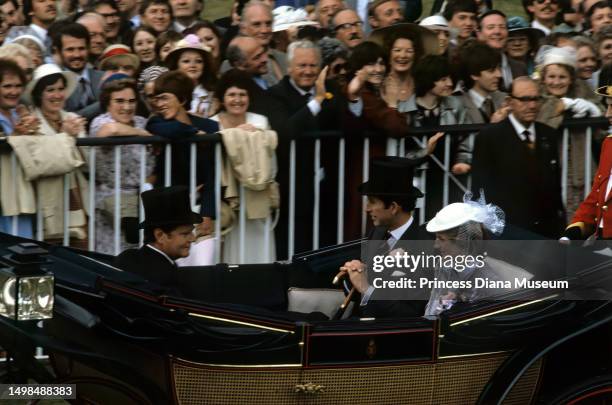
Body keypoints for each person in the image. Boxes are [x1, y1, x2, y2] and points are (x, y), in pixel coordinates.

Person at [472, 76, 565, 238]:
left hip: (546, 231)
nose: (532, 105)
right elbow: (480, 189)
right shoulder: (490, 137)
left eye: (536, 99)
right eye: (524, 99)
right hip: (509, 231)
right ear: (509, 102)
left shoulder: (548, 134)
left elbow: (554, 186)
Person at [342, 157, 430, 318]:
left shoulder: (423, 247)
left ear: (393, 207)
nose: (367, 209)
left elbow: (411, 314)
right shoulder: (376, 234)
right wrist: (355, 272)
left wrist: (366, 288)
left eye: (372, 202)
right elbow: (360, 290)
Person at [210, 69, 277, 264]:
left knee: (258, 247)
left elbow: (270, 159)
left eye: (242, 94)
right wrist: (236, 134)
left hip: (256, 193)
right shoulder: (212, 123)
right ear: (222, 98)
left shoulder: (259, 121)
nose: (237, 100)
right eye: (231, 94)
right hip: (226, 196)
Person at [146, 70, 218, 239]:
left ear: (182, 99)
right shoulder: (156, 123)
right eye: (156, 99)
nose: (159, 104)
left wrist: (207, 214)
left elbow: (212, 174)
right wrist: (195, 133)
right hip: (168, 206)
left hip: (200, 204)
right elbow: (173, 129)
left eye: (165, 98)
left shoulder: (210, 127)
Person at [23, 63, 89, 244]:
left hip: (77, 198)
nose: (57, 95)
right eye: (50, 90)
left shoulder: (72, 118)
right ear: (38, 94)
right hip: (46, 202)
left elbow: (88, 164)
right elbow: (45, 162)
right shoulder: (29, 122)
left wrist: (77, 139)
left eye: (61, 89)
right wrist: (66, 136)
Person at [90, 76, 154, 254]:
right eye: (119, 101)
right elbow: (111, 131)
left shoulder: (142, 121)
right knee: (114, 257)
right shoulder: (100, 122)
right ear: (107, 103)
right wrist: (140, 134)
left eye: (131, 101)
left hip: (142, 199)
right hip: (111, 201)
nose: (127, 107)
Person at [424, 192, 507, 316]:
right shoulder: (444, 266)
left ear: (462, 242)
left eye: (441, 239)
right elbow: (432, 308)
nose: (435, 245)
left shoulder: (488, 282)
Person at [114, 186, 201, 295]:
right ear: (160, 235)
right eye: (185, 233)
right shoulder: (168, 279)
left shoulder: (126, 258)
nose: (192, 238)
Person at [563, 81, 612, 241]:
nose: (607, 114)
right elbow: (597, 195)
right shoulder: (609, 144)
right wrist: (576, 228)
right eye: (608, 106)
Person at [453, 41, 508, 176]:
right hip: (467, 181)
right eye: (491, 71)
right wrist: (492, 128)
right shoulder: (456, 104)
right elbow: (458, 148)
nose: (499, 75)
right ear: (474, 75)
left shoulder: (505, 100)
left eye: (498, 68)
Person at [0, 59, 40, 237]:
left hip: (21, 197)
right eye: (7, 86)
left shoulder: (21, 114)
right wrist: (16, 137)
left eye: (18, 86)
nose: (14, 91)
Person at [55, 23, 105, 120]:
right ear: (58, 51)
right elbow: (65, 118)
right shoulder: (54, 83)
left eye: (81, 49)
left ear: (88, 48)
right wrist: (105, 102)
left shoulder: (104, 78)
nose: (76, 55)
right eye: (70, 50)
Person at [164, 34, 217, 117]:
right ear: (176, 65)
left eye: (198, 61)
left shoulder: (213, 95)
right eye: (186, 61)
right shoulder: (168, 93)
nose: (193, 65)